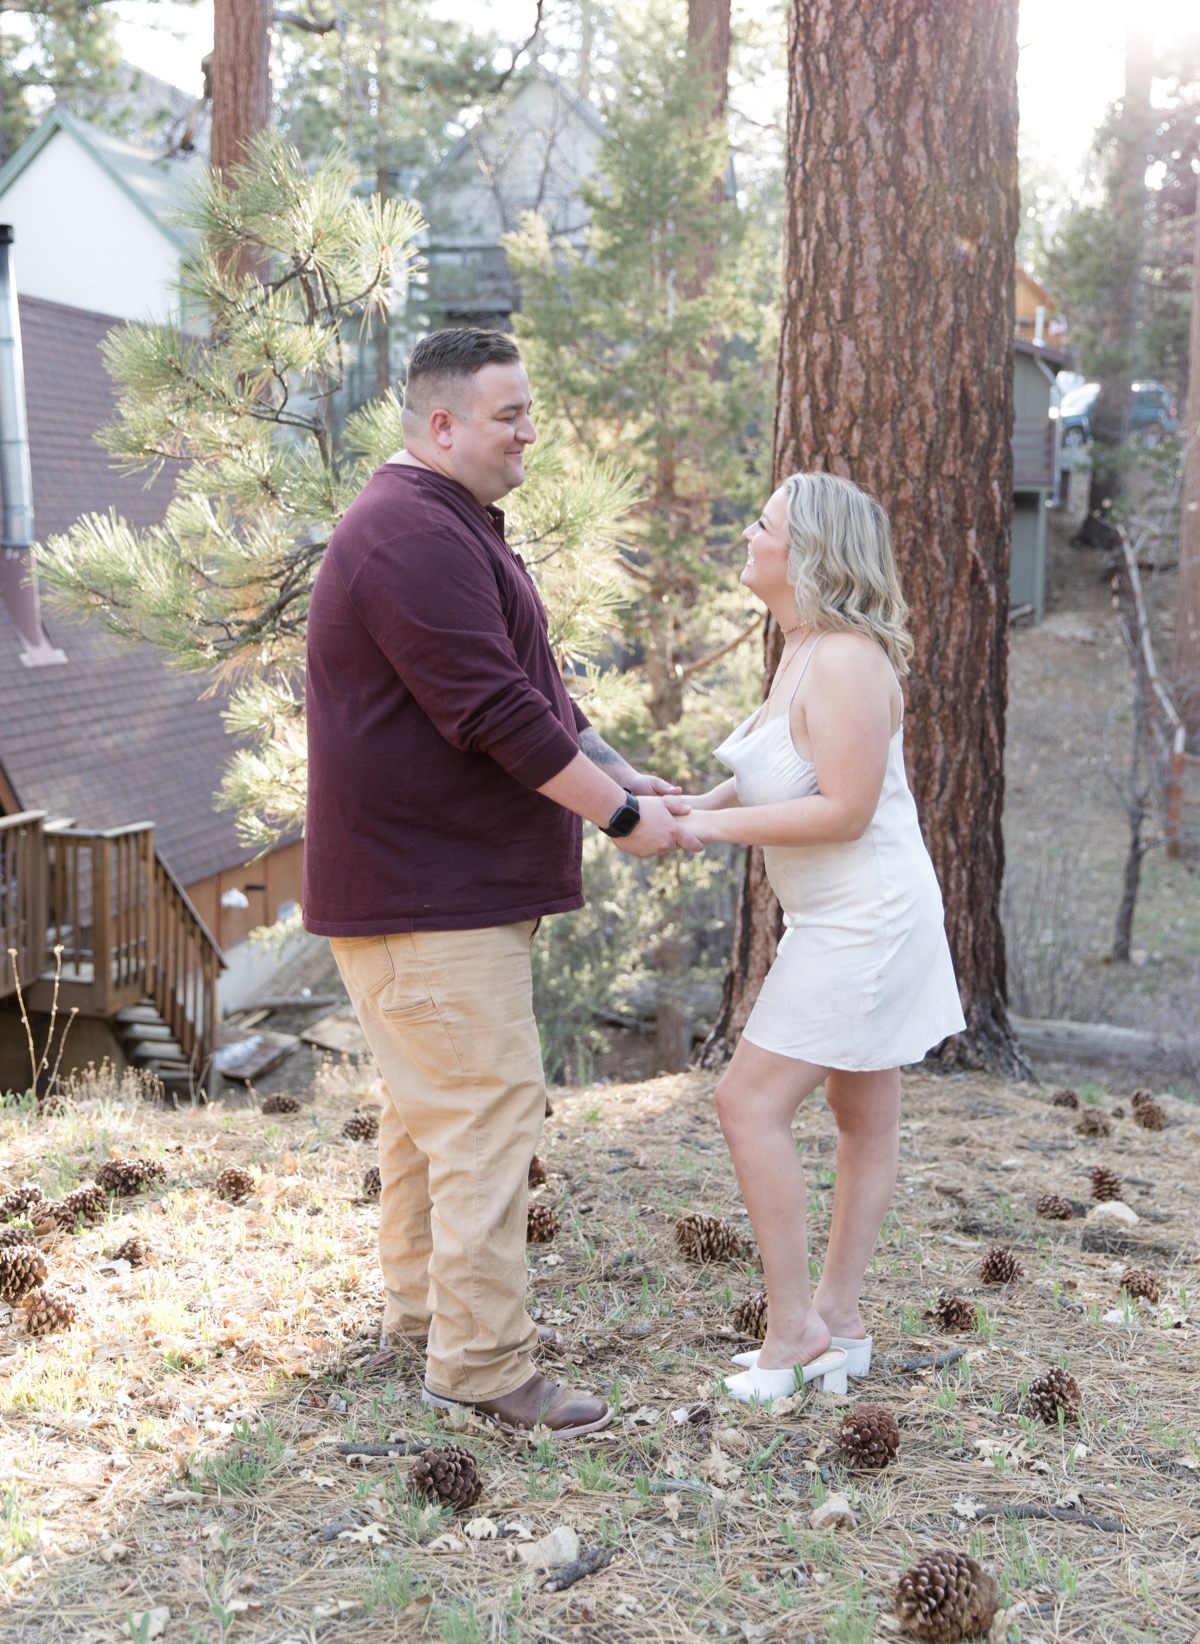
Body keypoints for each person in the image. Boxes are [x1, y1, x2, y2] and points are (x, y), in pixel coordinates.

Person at [303, 327, 699, 1437]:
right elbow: (490, 714)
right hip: (426, 896)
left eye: (530, 409)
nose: (531, 431)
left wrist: (625, 770)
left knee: (436, 1116)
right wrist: (619, 817)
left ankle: (422, 1311)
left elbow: (539, 696)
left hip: (435, 890)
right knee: (484, 1115)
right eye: (508, 414)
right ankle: (481, 1363)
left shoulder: (445, 526)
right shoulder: (408, 535)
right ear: (441, 426)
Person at [679, 471, 965, 1403]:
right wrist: (686, 806)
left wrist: (706, 831)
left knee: (746, 1103)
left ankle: (794, 1328)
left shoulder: (844, 658)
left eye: (763, 524)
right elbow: (780, 775)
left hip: (866, 919)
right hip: (837, 914)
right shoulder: (802, 645)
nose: (749, 535)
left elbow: (841, 811)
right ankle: (839, 1320)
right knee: (861, 1113)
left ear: (808, 555)